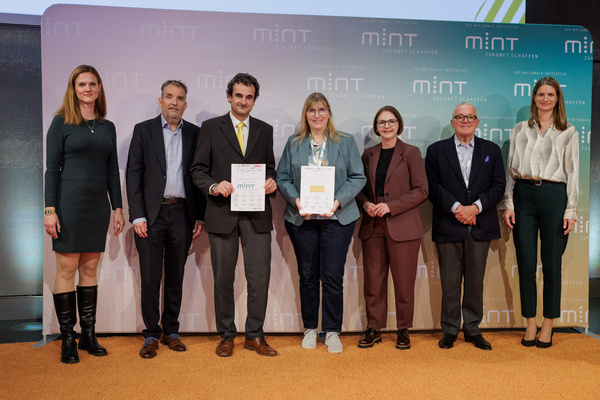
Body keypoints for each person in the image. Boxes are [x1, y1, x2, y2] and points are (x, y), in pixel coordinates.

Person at [191, 73, 278, 357]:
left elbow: (270, 168)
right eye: (238, 95)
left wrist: (272, 181)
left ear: (254, 100)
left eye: (249, 97)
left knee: (259, 278)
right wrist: (214, 186)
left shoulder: (265, 129)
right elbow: (198, 170)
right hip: (222, 212)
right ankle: (227, 335)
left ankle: (255, 335)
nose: (243, 101)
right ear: (229, 97)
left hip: (256, 214)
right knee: (223, 279)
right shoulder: (210, 128)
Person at [44, 65, 124, 364]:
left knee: (90, 270)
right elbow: (52, 170)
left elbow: (112, 171)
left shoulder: (107, 127)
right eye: (81, 84)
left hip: (96, 207)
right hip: (68, 205)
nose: (87, 89)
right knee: (66, 271)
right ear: (73, 89)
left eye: (92, 84)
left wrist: (117, 207)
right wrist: (50, 210)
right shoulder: (60, 123)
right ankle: (68, 338)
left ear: (99, 88)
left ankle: (88, 335)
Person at [276, 92, 366, 353]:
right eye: (312, 110)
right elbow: (283, 178)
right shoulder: (294, 143)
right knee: (307, 276)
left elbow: (357, 177)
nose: (317, 115)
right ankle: (310, 328)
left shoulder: (345, 141)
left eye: (321, 110)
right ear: (306, 115)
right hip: (302, 219)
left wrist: (337, 201)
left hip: (337, 218)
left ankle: (332, 330)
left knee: (332, 276)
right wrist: (296, 201)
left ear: (329, 113)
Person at [126, 80, 206, 359]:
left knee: (175, 276)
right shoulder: (143, 130)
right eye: (169, 97)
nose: (174, 102)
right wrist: (137, 215)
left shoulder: (195, 133)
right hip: (150, 215)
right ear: (160, 101)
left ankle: (171, 330)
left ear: (185, 104)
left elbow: (199, 176)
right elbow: (133, 174)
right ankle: (151, 333)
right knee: (150, 278)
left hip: (183, 213)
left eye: (180, 98)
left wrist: (200, 216)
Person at [500, 77, 579, 348]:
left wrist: (570, 209)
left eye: (550, 94)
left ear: (557, 99)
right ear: (534, 97)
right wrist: (508, 203)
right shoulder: (520, 129)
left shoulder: (568, 131)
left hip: (554, 197)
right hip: (523, 196)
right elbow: (510, 169)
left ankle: (548, 323)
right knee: (526, 262)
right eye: (541, 94)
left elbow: (573, 172)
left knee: (552, 264)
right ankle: (530, 322)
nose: (545, 99)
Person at [425, 102, 505, 350]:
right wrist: (458, 208)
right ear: (452, 122)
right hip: (449, 223)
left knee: (475, 281)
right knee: (449, 282)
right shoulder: (436, 150)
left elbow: (498, 186)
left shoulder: (491, 150)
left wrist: (475, 208)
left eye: (470, 117)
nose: (465, 120)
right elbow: (432, 186)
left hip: (480, 224)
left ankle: (472, 328)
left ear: (477, 122)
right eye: (460, 117)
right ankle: (449, 329)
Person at [355, 106, 428, 350]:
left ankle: (403, 329)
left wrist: (390, 206)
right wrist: (366, 204)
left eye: (391, 121)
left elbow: (422, 190)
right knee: (373, 282)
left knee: (404, 282)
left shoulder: (411, 152)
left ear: (399, 125)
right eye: (382, 122)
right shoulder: (368, 154)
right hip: (373, 224)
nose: (387, 126)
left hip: (402, 225)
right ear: (376, 127)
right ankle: (374, 327)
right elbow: (359, 186)